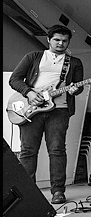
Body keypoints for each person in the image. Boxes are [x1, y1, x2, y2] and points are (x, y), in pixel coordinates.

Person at [9, 24, 84, 205]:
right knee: (28, 151)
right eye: (56, 39)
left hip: (59, 110)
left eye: (64, 41)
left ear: (68, 42)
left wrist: (75, 89)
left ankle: (58, 191)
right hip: (31, 108)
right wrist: (29, 93)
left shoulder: (74, 63)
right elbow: (15, 79)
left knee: (57, 150)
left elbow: (78, 86)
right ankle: (27, 192)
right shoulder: (33, 57)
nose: (60, 43)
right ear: (48, 40)